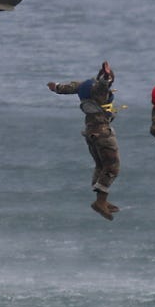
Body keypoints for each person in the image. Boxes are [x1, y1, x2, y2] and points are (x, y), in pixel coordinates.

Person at [47, 60, 120, 220]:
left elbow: (64, 88)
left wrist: (55, 86)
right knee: (112, 166)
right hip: (102, 132)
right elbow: (104, 84)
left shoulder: (84, 86)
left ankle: (102, 201)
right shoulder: (100, 90)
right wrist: (107, 76)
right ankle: (100, 202)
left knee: (101, 165)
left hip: (90, 132)